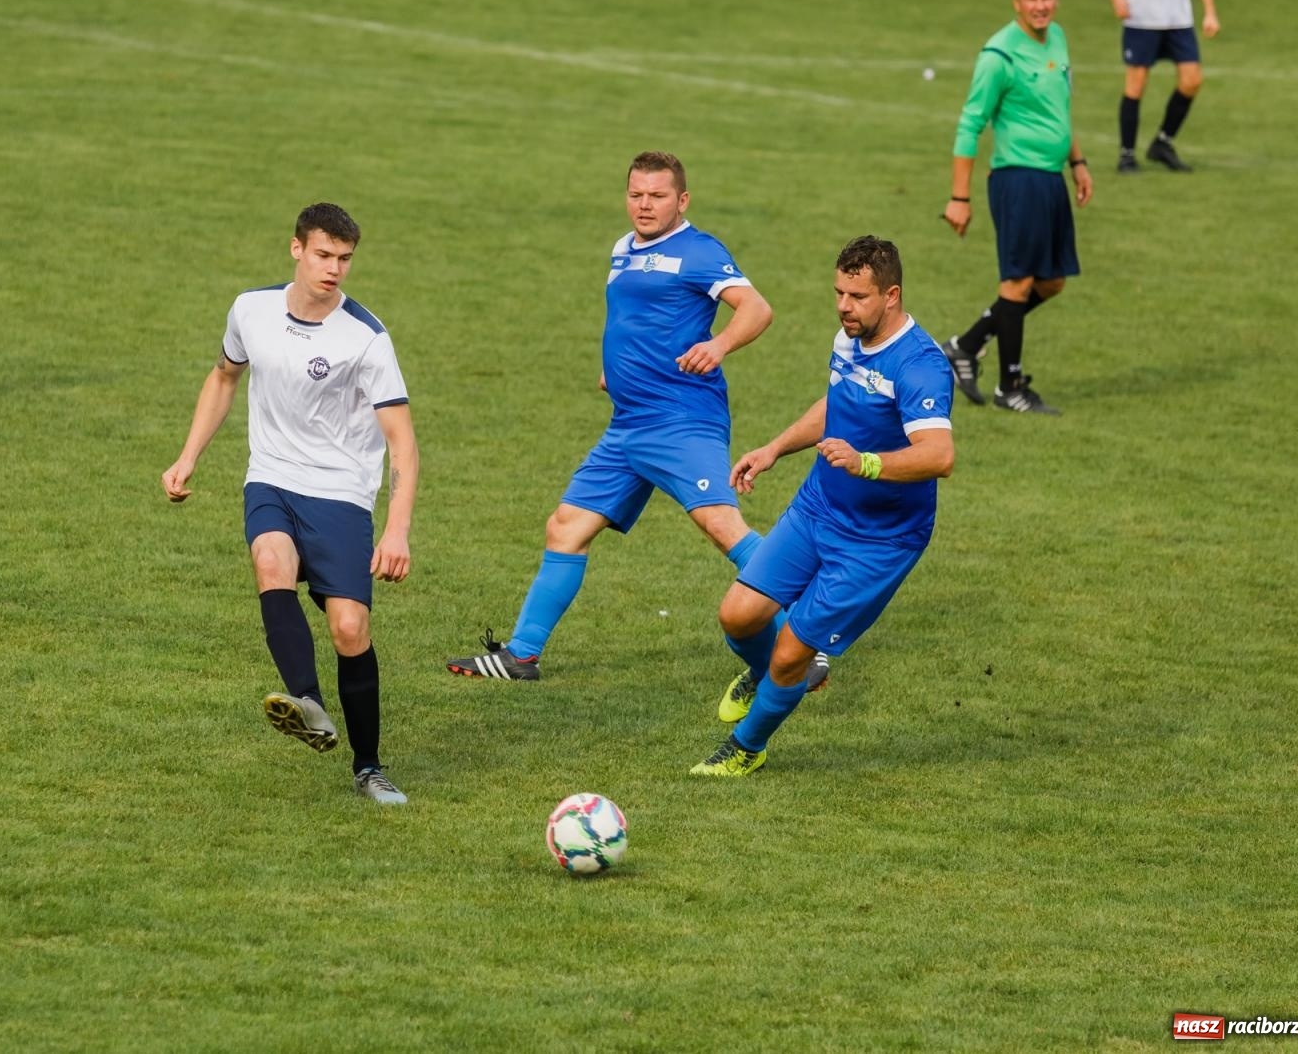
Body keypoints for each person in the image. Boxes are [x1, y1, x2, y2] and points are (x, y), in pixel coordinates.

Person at [446, 151, 776, 682]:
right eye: (636, 194)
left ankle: (809, 637)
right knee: (566, 526)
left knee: (721, 525)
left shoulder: (699, 250)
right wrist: (615, 367)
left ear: (682, 200)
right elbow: (629, 316)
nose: (645, 205)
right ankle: (521, 655)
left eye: (657, 196)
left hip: (679, 419)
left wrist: (718, 346)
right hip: (628, 424)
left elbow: (758, 309)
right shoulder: (623, 249)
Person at [162, 203, 420, 805]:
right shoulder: (250, 310)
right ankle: (308, 702)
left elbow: (403, 443)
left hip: (341, 492)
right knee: (270, 563)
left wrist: (397, 530)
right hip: (272, 477)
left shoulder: (366, 338)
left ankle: (368, 767)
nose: (335, 269)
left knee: (349, 629)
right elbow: (224, 376)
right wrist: (188, 456)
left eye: (345, 259)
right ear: (297, 249)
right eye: (324, 255)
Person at [691, 236, 954, 777]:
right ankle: (765, 675)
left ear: (891, 295)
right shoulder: (850, 336)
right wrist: (774, 449)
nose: (843, 306)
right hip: (818, 507)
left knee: (792, 653)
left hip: (878, 540)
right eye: (838, 293)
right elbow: (837, 400)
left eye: (857, 297)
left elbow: (939, 455)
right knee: (737, 616)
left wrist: (866, 463)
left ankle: (746, 748)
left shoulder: (920, 365)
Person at [940, 0, 1092, 418]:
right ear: (1016, 2)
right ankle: (1010, 387)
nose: (1041, 6)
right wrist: (959, 197)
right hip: (1018, 178)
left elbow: (1060, 110)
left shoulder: (1057, 37)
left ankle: (966, 345)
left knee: (1053, 281)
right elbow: (970, 124)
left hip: (1051, 177)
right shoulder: (999, 55)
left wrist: (1078, 162)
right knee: (1018, 283)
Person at [1111, 0, 1220, 173]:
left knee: (1192, 80)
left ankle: (1162, 143)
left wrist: (1210, 11)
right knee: (1135, 85)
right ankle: (1126, 155)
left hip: (1179, 19)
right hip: (1141, 17)